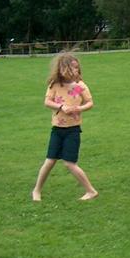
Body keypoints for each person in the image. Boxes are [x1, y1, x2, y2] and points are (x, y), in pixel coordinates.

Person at [31, 53, 99, 202]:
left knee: (69, 162)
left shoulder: (79, 86)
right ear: (63, 68)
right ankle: (36, 190)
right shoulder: (55, 85)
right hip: (57, 130)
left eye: (77, 67)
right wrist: (61, 107)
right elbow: (47, 102)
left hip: (72, 130)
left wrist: (78, 109)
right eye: (72, 67)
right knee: (50, 160)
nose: (76, 70)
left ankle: (91, 191)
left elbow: (89, 103)